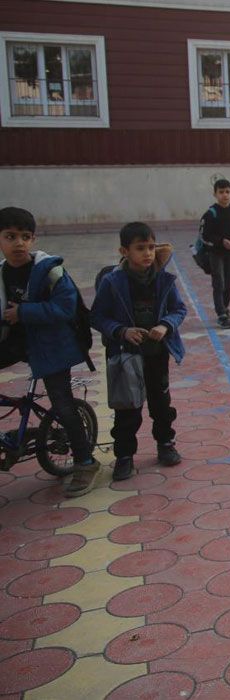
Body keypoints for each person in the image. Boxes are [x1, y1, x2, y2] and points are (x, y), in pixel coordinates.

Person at [0, 207, 100, 497]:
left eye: (25, 236)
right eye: (10, 236)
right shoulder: (2, 273)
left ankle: (85, 462)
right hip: (17, 341)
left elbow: (65, 308)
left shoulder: (50, 270)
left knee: (63, 405)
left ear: (33, 239)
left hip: (52, 343)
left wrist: (24, 312)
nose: (19, 243)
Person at [90, 223, 186, 482]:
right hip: (126, 357)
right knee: (127, 409)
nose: (148, 253)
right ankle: (124, 456)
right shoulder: (112, 282)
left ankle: (165, 444)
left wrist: (165, 325)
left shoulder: (164, 279)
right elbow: (97, 316)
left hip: (157, 354)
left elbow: (179, 309)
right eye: (140, 248)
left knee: (161, 404)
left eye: (151, 247)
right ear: (124, 251)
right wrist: (122, 331)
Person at [198, 179, 230, 329]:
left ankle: (224, 307)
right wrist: (220, 241)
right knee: (218, 281)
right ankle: (221, 314)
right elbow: (205, 235)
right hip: (215, 253)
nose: (225, 195)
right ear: (215, 194)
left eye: (227, 192)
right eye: (221, 192)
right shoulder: (211, 214)